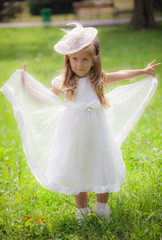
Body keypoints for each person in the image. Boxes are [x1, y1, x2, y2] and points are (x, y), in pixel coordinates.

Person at [0, 22, 160, 223]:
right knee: (77, 167)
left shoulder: (98, 78)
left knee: (101, 163)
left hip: (97, 131)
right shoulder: (65, 81)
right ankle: (82, 211)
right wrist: (25, 85)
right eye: (75, 59)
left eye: (85, 59)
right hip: (73, 132)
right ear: (68, 59)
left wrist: (142, 71)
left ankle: (102, 207)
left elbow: (120, 74)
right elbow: (43, 99)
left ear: (94, 60)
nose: (80, 64)